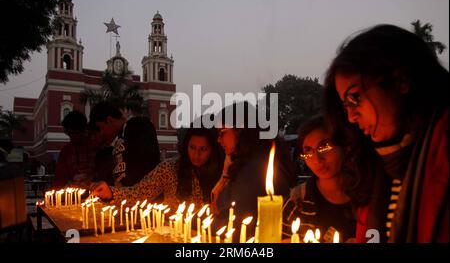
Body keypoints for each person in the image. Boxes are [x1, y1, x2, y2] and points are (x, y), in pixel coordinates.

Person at [323, 24, 449, 243]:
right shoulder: (374, 166)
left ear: (401, 81)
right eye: (345, 106)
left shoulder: (442, 144)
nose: (351, 117)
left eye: (354, 97)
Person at [210, 102, 295, 239]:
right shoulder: (250, 163)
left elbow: (235, 224)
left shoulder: (254, 171)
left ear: (241, 130)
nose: (218, 140)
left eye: (222, 133)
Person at [92, 127, 224, 211]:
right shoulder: (170, 168)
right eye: (192, 147)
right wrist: (111, 192)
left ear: (212, 150)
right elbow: (139, 193)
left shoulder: (222, 173)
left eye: (203, 149)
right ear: (185, 146)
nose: (196, 154)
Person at [287, 115, 356, 242]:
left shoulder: (368, 196)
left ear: (344, 147)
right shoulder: (297, 201)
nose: (317, 159)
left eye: (324, 146)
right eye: (308, 151)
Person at [88, 102, 160, 187]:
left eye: (100, 128)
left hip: (143, 195)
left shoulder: (138, 126)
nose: (101, 134)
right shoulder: (113, 143)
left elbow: (146, 164)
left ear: (109, 120)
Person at [53, 110, 94, 188]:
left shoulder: (96, 146)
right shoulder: (66, 151)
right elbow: (59, 179)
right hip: (74, 195)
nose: (71, 137)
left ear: (84, 130)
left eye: (74, 133)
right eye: (69, 134)